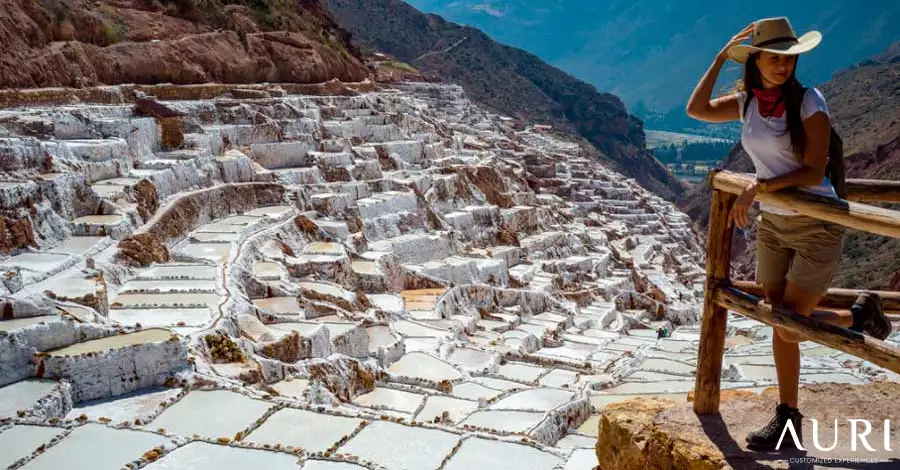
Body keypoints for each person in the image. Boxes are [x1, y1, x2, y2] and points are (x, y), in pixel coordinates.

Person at [685, 17, 891, 451]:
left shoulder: (809, 102)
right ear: (755, 59)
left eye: (789, 59)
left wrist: (758, 187)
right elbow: (696, 110)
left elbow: (814, 170)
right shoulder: (746, 101)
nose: (783, 67)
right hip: (775, 224)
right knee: (776, 317)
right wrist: (721, 58)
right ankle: (788, 414)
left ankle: (855, 318)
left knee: (789, 324)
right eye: (775, 58)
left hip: (815, 223)